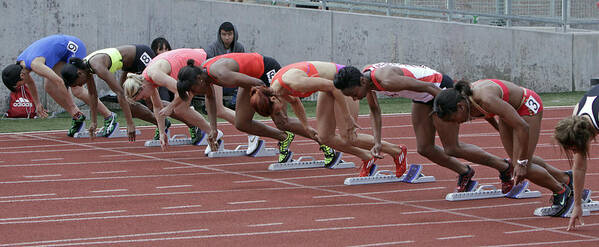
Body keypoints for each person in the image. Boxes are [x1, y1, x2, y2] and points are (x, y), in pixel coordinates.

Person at [333, 63, 514, 193]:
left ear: (361, 83)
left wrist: (442, 111)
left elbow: (428, 86)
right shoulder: (366, 78)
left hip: (439, 90)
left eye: (353, 94)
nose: (355, 99)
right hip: (422, 97)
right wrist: (377, 142)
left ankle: (504, 167)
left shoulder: (387, 80)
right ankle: (465, 171)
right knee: (424, 148)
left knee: (452, 147)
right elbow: (374, 110)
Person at [433, 79, 573, 216]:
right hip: (507, 110)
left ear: (460, 106)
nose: (456, 123)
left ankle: (561, 192)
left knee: (523, 167)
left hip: (527, 106)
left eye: (453, 119)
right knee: (516, 161)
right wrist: (501, 131)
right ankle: (566, 178)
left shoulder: (486, 99)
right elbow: (487, 114)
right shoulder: (468, 101)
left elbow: (523, 127)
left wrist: (522, 162)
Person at [250, 61, 407, 177]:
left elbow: (334, 87)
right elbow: (295, 102)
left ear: (273, 100)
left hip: (343, 84)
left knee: (349, 137)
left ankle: (397, 151)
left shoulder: (296, 83)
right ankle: (367, 157)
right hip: (328, 87)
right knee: (324, 137)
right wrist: (306, 127)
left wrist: (347, 117)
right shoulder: (276, 89)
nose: (279, 115)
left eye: (276, 112)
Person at [176, 53, 335, 164]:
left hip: (265, 72)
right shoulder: (204, 74)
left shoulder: (221, 74)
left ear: (199, 80)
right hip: (249, 79)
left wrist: (270, 104)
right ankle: (284, 137)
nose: (195, 94)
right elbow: (210, 97)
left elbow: (258, 84)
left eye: (193, 90)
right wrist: (213, 129)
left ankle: (324, 142)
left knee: (282, 121)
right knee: (241, 123)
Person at [1, 34, 115, 137]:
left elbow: (59, 82)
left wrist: (72, 106)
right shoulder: (21, 65)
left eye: (19, 85)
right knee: (49, 87)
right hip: (60, 54)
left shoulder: (35, 65)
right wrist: (37, 104)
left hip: (73, 47)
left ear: (21, 76)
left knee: (77, 89)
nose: (22, 86)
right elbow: (30, 83)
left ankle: (109, 116)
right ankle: (78, 117)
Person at [123, 48, 220, 150]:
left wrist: (170, 107)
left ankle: (212, 133)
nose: (145, 98)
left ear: (142, 88)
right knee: (180, 109)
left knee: (182, 109)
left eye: (142, 96)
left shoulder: (155, 75)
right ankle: (211, 133)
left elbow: (182, 93)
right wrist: (162, 132)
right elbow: (157, 107)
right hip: (189, 67)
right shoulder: (147, 80)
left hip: (202, 61)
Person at [60, 44, 157, 140]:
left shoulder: (97, 66)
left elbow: (119, 92)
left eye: (77, 84)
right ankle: (162, 123)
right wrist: (94, 122)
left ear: (79, 73)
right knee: (129, 105)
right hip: (129, 66)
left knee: (152, 101)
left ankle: (164, 122)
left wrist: (130, 123)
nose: (80, 86)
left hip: (141, 56)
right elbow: (92, 95)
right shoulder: (85, 67)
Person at [554, 84, 599, 230]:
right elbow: (579, 167)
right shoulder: (576, 122)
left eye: (574, 149)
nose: (574, 153)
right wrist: (577, 205)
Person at [205, 22, 245, 111]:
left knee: (245, 80)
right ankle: (211, 105)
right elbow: (207, 67)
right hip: (217, 81)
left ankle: (235, 103)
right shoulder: (212, 48)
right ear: (220, 35)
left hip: (233, 80)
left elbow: (243, 66)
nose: (227, 37)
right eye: (224, 34)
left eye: (230, 34)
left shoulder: (239, 48)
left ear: (234, 34)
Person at [151, 37, 174, 102]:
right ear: (155, 51)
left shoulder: (173, 59)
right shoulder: (153, 62)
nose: (164, 52)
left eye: (166, 49)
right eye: (161, 49)